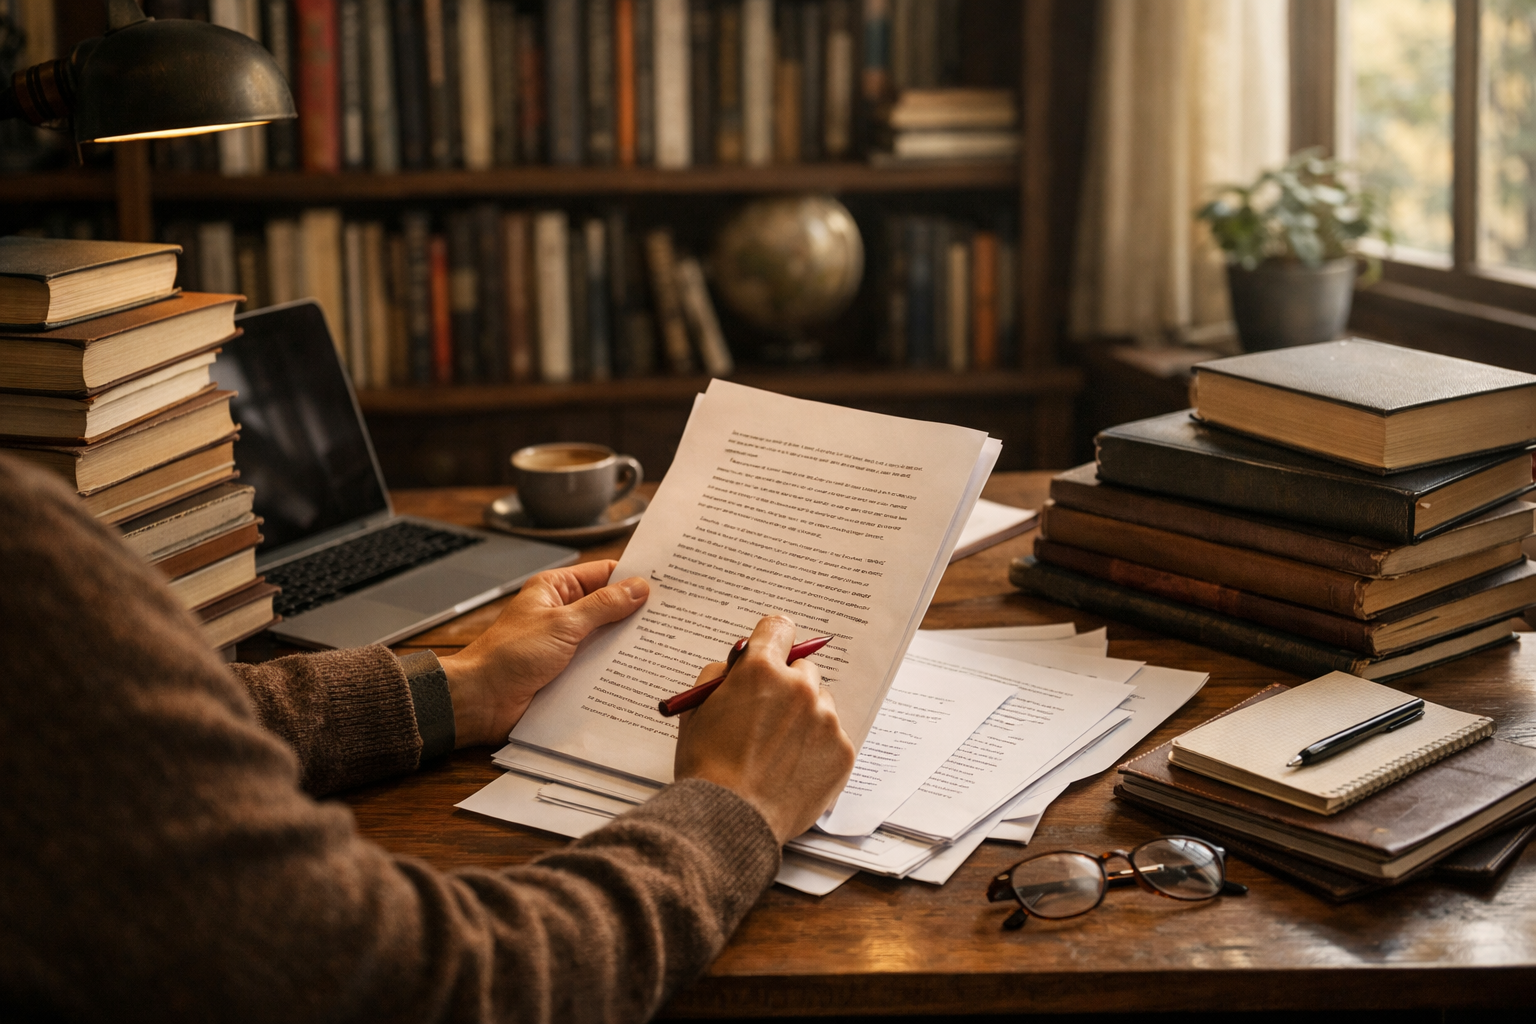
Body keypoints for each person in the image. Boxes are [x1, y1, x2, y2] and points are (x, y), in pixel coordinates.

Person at [0, 452, 857, 1022]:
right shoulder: (22, 552)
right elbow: (439, 984)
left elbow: (121, 733)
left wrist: (460, 689)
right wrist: (735, 805)